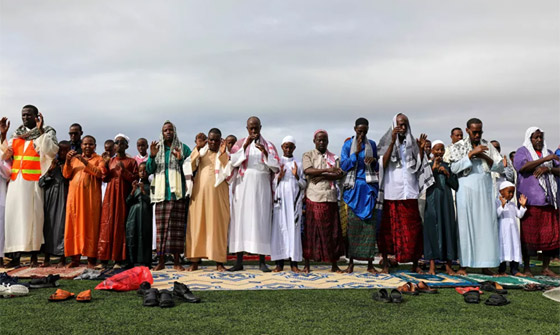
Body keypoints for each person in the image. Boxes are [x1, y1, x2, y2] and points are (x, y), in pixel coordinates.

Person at [0, 106, 59, 267]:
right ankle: (15, 256)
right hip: (15, 182)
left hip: (33, 182)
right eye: (23, 115)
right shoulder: (16, 135)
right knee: (14, 218)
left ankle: (33, 255)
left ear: (36, 116)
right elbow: (4, 154)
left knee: (33, 218)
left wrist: (40, 132)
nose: (25, 117)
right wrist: (3, 135)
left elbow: (50, 151)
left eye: (28, 115)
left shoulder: (47, 132)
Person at [377, 113, 432, 274]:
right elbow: (382, 164)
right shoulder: (385, 142)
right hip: (391, 192)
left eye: (405, 125)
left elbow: (418, 166)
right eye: (399, 124)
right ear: (393, 124)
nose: (402, 128)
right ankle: (386, 264)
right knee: (388, 231)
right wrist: (392, 142)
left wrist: (421, 150)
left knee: (413, 229)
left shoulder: (413, 144)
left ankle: (414, 263)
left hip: (410, 193)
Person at [449, 118, 504, 275]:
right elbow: (454, 168)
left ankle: (485, 265)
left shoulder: (488, 146)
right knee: (465, 227)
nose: (477, 135)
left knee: (486, 226)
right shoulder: (458, 147)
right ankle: (463, 265)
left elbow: (500, 166)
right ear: (467, 130)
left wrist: (484, 156)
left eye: (480, 132)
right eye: (474, 132)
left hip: (485, 190)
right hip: (466, 190)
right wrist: (471, 154)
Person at [228, 117, 280, 272]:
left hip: (261, 185)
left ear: (260, 127)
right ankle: (238, 261)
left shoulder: (269, 145)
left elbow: (276, 167)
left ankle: (262, 261)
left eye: (256, 127)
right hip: (243, 185)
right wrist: (244, 146)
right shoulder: (240, 144)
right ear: (247, 128)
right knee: (240, 222)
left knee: (261, 221)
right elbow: (233, 162)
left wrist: (265, 154)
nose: (253, 131)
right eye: (251, 128)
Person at [513, 127, 559, 277]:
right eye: (536, 137)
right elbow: (522, 167)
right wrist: (544, 160)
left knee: (550, 235)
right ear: (530, 138)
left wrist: (549, 169)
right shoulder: (522, 151)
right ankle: (527, 268)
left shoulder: (549, 151)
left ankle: (545, 267)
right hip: (530, 200)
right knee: (529, 236)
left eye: (541, 137)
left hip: (548, 201)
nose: (539, 140)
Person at [184, 128, 232, 272]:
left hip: (218, 196)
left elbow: (228, 172)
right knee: (197, 226)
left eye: (216, 140)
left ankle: (219, 262)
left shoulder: (224, 154)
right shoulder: (201, 152)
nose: (212, 142)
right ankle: (194, 261)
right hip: (199, 196)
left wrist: (223, 154)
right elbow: (189, 166)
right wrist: (197, 148)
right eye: (210, 139)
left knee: (217, 227)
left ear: (220, 141)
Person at [146, 121, 191, 271]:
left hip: (177, 194)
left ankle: (177, 262)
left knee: (176, 230)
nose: (168, 132)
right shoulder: (157, 148)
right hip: (161, 194)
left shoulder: (183, 148)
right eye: (165, 130)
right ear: (162, 132)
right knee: (161, 230)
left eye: (170, 129)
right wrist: (152, 157)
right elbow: (149, 170)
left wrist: (180, 160)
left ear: (174, 131)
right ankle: (161, 262)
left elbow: (191, 168)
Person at [302, 129, 345, 273]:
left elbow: (339, 174)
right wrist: (328, 171)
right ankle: (307, 264)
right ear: (314, 141)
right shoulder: (308, 154)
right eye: (319, 140)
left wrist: (322, 174)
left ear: (328, 141)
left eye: (324, 140)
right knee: (311, 232)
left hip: (330, 197)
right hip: (314, 197)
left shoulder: (334, 157)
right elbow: (308, 171)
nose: (321, 142)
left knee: (332, 232)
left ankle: (334, 264)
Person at [340, 118, 379, 274]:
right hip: (353, 189)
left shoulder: (372, 144)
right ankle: (350, 264)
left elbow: (376, 166)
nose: (362, 133)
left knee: (369, 228)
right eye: (359, 130)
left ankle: (370, 264)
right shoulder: (348, 144)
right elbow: (344, 166)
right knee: (353, 229)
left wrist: (373, 160)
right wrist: (355, 153)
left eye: (365, 130)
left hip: (368, 188)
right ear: (354, 129)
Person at [63, 135, 105, 268]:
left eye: (90, 144)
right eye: (85, 144)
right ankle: (75, 259)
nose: (87, 147)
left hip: (90, 200)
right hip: (74, 199)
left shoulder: (99, 159)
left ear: (95, 146)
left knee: (90, 227)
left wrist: (85, 162)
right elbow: (66, 174)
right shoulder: (74, 160)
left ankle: (91, 260)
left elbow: (100, 173)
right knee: (73, 227)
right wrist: (68, 161)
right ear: (81, 146)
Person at [97, 134, 138, 268]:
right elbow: (104, 177)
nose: (118, 144)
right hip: (110, 197)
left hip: (122, 197)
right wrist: (104, 163)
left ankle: (118, 260)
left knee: (119, 226)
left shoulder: (131, 162)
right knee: (106, 226)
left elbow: (135, 179)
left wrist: (124, 170)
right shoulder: (111, 161)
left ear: (126, 146)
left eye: (121, 142)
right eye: (116, 142)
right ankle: (103, 260)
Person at [423, 140, 459, 275]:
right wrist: (433, 169)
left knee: (447, 229)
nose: (439, 152)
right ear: (432, 151)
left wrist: (447, 174)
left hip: (446, 201)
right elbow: (423, 183)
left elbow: (455, 185)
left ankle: (448, 266)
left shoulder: (449, 166)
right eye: (436, 150)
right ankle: (432, 266)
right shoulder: (427, 165)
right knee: (432, 229)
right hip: (432, 200)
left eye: (441, 149)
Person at [271, 136, 306, 272]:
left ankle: (294, 264)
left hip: (294, 202)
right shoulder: (277, 163)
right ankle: (279, 264)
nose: (288, 149)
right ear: (282, 147)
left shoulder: (299, 163)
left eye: (291, 147)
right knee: (279, 230)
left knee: (294, 231)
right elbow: (272, 184)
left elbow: (304, 184)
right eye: (286, 146)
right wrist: (278, 178)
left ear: (294, 148)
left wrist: (297, 176)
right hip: (280, 202)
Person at [39, 140, 71, 267]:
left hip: (64, 199)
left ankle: (62, 258)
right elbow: (41, 183)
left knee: (62, 227)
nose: (63, 152)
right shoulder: (51, 163)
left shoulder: (71, 164)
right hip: (49, 199)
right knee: (48, 226)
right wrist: (50, 171)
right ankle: (46, 258)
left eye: (66, 150)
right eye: (61, 150)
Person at [496, 181, 527, 277]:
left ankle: (515, 270)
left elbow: (519, 215)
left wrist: (522, 206)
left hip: (513, 232)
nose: (511, 194)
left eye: (512, 193)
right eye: (509, 192)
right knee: (504, 249)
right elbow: (497, 214)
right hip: (503, 232)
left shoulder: (513, 204)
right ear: (501, 192)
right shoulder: (497, 202)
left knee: (514, 248)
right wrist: (502, 205)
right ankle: (502, 270)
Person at [125, 162, 152, 268]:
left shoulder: (150, 186)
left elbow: (150, 201)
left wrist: (142, 190)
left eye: (145, 171)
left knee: (144, 236)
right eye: (140, 171)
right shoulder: (134, 186)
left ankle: (145, 261)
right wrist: (133, 190)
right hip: (133, 214)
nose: (142, 173)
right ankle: (131, 261)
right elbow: (128, 201)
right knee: (132, 235)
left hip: (145, 215)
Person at [0, 156, 10, 267]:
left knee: (0, 230)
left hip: (1, 198)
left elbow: (8, 173)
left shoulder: (4, 153)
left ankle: (0, 258)